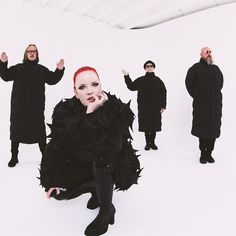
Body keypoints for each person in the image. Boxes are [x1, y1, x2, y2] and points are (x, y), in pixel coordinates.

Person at [39, 66, 142, 236]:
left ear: (101, 85)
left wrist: (93, 114)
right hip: (83, 166)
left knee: (101, 160)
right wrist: (52, 180)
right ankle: (97, 191)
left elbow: (109, 149)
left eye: (94, 84)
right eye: (82, 87)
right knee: (60, 195)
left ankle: (106, 211)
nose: (89, 91)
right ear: (75, 91)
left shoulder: (115, 110)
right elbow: (55, 147)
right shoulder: (64, 112)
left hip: (110, 166)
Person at [0, 44, 65, 167]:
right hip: (18, 108)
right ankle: (14, 157)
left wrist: (59, 70)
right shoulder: (18, 68)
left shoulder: (41, 70)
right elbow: (5, 76)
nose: (32, 53)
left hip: (36, 109)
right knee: (16, 132)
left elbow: (52, 80)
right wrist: (3, 63)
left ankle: (45, 158)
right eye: (29, 51)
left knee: (40, 133)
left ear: (37, 54)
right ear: (25, 54)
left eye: (34, 51)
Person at [185, 47, 223, 164]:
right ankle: (203, 154)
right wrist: (198, 96)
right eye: (206, 52)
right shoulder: (195, 68)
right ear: (201, 54)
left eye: (210, 51)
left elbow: (221, 83)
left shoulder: (216, 69)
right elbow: (189, 83)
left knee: (214, 130)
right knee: (203, 129)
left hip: (215, 105)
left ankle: (209, 153)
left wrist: (215, 96)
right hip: (201, 105)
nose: (209, 53)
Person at [122, 60, 167, 151]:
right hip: (144, 107)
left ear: (154, 68)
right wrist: (126, 76)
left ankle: (153, 143)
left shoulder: (158, 80)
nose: (149, 67)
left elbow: (164, 93)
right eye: (147, 66)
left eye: (151, 66)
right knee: (146, 125)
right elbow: (131, 87)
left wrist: (163, 105)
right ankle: (147, 143)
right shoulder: (141, 80)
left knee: (154, 125)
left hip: (155, 107)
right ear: (145, 68)